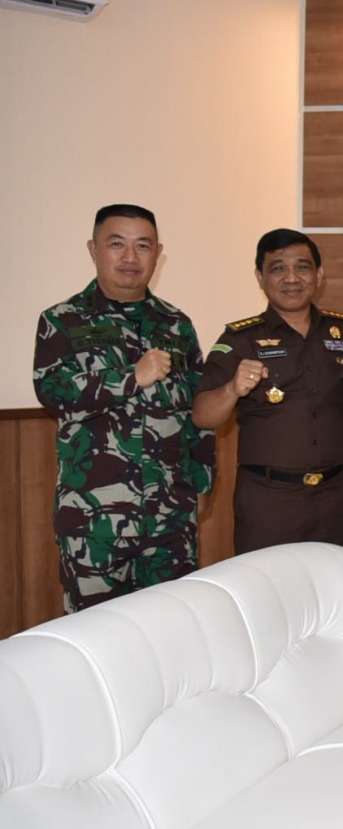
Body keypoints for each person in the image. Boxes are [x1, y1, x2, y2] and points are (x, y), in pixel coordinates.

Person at [33, 204, 215, 611]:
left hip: (170, 514)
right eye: (117, 244)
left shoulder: (176, 324)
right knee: (95, 630)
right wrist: (132, 376)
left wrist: (202, 482)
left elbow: (199, 409)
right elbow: (51, 390)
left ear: (157, 254)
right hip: (94, 517)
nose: (130, 257)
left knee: (171, 623)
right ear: (93, 249)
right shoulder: (62, 320)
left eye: (143, 246)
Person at [194, 229, 343, 553]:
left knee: (335, 581)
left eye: (302, 267)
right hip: (269, 499)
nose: (291, 278)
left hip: (336, 495)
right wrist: (231, 389)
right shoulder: (239, 339)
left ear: (319, 274)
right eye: (278, 268)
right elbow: (202, 415)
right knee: (267, 583)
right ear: (260, 277)